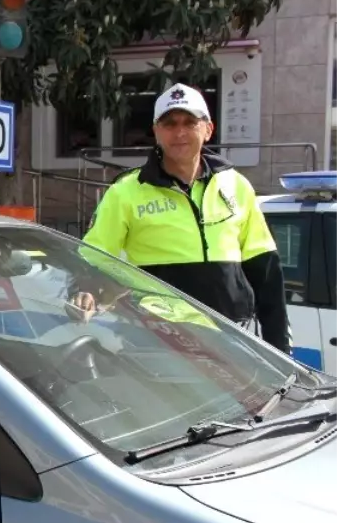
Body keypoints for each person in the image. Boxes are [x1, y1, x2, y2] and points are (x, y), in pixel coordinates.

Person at [69, 82, 290, 353]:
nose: (180, 132)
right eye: (170, 123)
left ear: (208, 129)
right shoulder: (125, 192)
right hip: (158, 341)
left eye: (189, 122)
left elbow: (265, 270)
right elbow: (94, 257)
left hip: (233, 339)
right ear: (156, 132)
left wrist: (279, 346)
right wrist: (84, 290)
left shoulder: (236, 185)